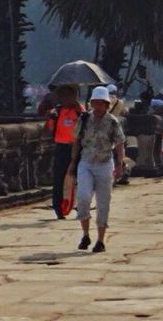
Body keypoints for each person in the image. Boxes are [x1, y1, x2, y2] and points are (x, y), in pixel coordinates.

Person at [70, 86, 126, 253]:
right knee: (83, 197)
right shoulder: (85, 119)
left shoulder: (112, 122)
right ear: (92, 103)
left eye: (102, 103)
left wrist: (120, 163)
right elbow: (76, 141)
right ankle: (85, 234)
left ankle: (100, 240)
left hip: (104, 163)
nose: (98, 106)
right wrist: (73, 162)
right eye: (96, 103)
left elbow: (120, 143)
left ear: (107, 104)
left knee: (103, 203)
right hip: (86, 162)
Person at [46, 85, 84, 219]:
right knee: (59, 179)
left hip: (78, 147)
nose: (66, 98)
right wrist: (50, 118)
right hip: (61, 147)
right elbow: (49, 130)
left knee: (82, 178)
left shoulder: (80, 110)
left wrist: (79, 112)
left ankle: (81, 206)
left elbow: (86, 126)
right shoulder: (56, 112)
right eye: (63, 95)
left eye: (69, 95)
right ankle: (59, 208)